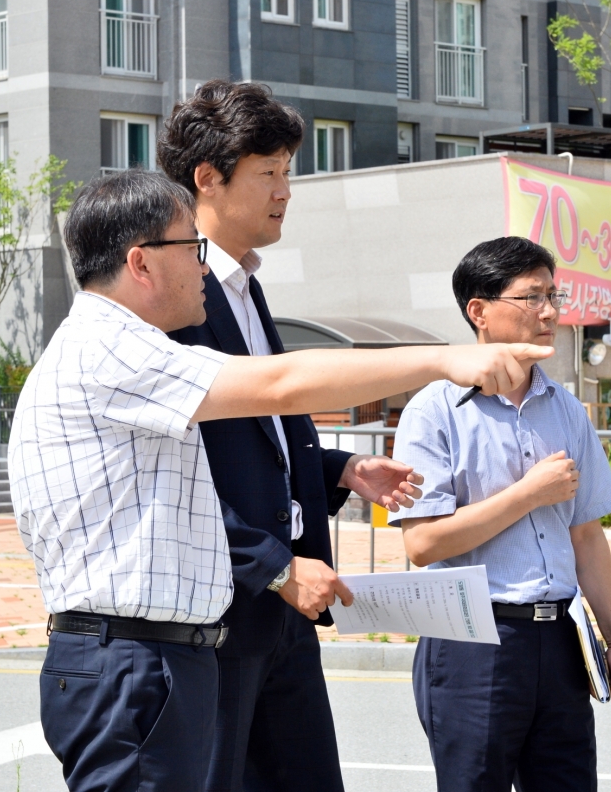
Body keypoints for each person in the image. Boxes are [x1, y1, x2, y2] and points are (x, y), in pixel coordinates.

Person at [9, 171, 551, 792]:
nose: (204, 268)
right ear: (141, 263)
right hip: (130, 658)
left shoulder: (128, 349)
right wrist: (445, 358)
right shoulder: (110, 349)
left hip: (153, 655)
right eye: (191, 248)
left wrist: (337, 468)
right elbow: (279, 384)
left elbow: (250, 444)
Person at [160, 79, 416, 792]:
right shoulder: (179, 294)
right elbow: (180, 469)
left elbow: (259, 431)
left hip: (284, 610)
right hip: (226, 607)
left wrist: (336, 469)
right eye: (268, 172)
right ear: (207, 178)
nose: (285, 190)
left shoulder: (244, 283)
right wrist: (271, 566)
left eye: (288, 172)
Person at [390, 236, 611, 792]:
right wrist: (527, 493)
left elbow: (586, 534)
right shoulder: (433, 411)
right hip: (474, 640)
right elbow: (422, 545)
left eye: (553, 294)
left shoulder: (567, 407)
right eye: (530, 297)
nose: (549, 311)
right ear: (480, 311)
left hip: (562, 639)